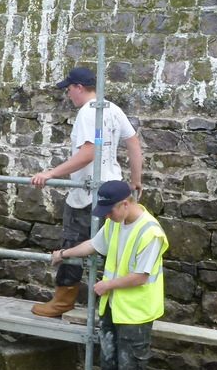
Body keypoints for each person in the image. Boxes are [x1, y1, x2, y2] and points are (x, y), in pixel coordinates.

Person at [49, 180, 168, 370]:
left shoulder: (151, 232)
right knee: (109, 366)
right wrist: (64, 254)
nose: (108, 217)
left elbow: (141, 276)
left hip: (137, 313)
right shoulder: (115, 223)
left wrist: (107, 285)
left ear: (125, 204)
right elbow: (94, 245)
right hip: (113, 308)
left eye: (110, 211)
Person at [30, 66, 143, 317]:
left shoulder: (87, 113)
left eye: (69, 89)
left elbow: (89, 152)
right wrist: (135, 180)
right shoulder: (112, 108)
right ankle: (112, 303)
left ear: (80, 88)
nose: (69, 95)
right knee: (113, 247)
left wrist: (51, 173)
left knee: (72, 243)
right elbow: (133, 143)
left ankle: (63, 301)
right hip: (113, 190)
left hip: (86, 192)